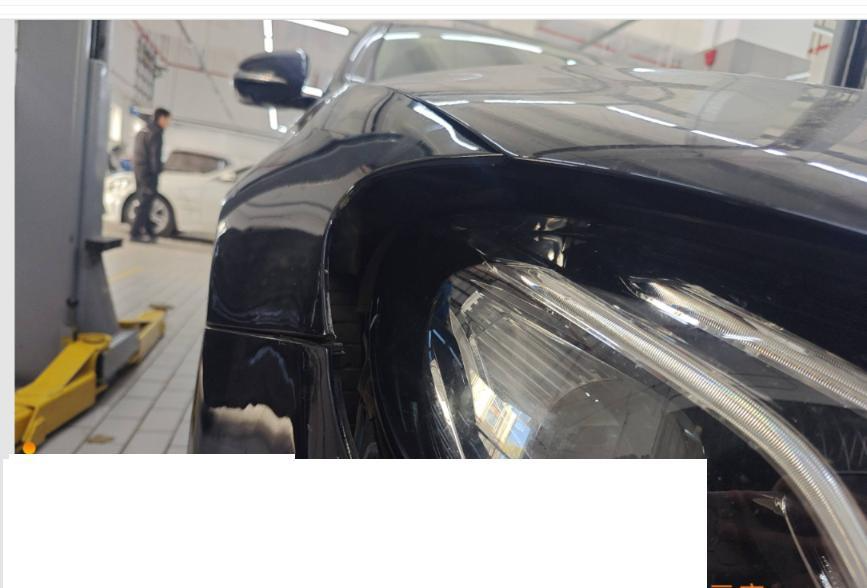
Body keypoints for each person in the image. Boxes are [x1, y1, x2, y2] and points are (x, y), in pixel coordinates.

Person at [131, 108, 171, 242]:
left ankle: (149, 231)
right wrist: (157, 171)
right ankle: (135, 232)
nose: (168, 123)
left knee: (146, 202)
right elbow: (154, 156)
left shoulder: (143, 130)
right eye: (168, 119)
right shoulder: (156, 133)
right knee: (145, 203)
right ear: (161, 118)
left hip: (139, 171)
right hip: (149, 174)